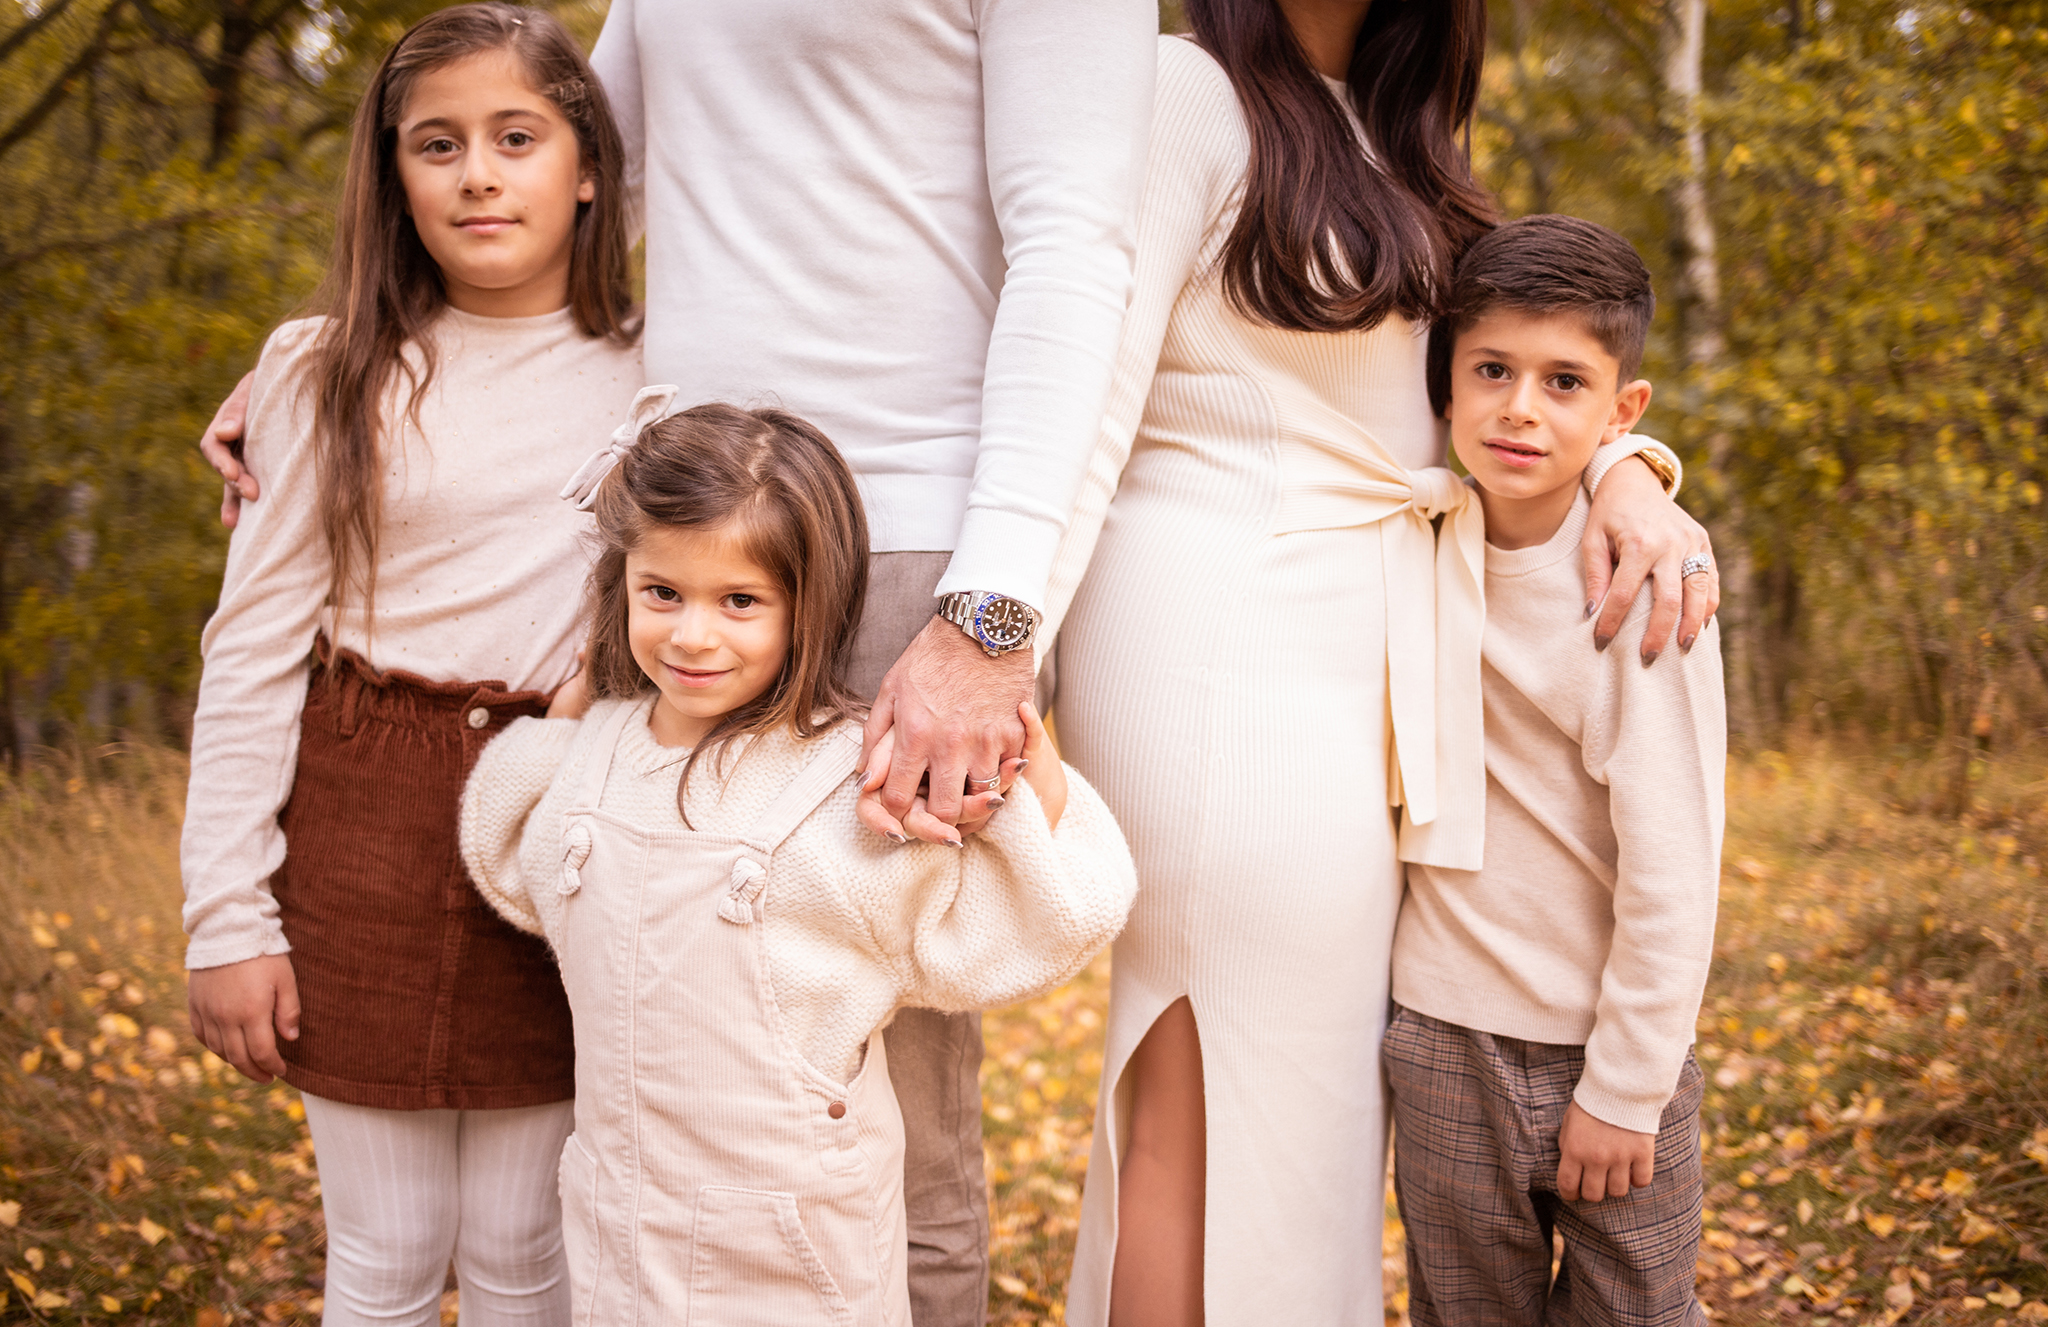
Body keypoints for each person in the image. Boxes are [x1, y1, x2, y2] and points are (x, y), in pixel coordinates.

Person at [197, 5, 1158, 1316]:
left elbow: (1077, 251)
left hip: (900, 546)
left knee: (880, 1108)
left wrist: (994, 616)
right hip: (673, 526)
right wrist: (335, 367)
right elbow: (577, 173)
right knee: (654, 1063)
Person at [1035, 2, 1724, 1323]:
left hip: (1368, 663)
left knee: (1313, 1111)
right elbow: (1088, 384)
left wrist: (1634, 471)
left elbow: (1506, 384)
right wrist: (1002, 639)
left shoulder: (1413, 139)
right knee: (1216, 1078)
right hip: (1221, 639)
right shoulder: (1185, 92)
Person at [457, 399, 1137, 1325]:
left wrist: (1017, 737)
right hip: (622, 1233)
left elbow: (1025, 918)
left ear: (806, 605)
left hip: (795, 1257)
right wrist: (580, 698)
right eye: (663, 593)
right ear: (622, 586)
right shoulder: (597, 758)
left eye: (740, 601)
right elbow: (510, 843)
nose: (694, 635)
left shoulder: (846, 786)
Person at [176, 7, 642, 1322]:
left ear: (588, 163)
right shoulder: (328, 370)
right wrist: (227, 913)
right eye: (436, 144)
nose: (479, 173)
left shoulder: (667, 374)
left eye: (517, 137)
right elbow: (253, 647)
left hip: (557, 822)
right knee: (385, 1245)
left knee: (519, 1239)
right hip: (362, 813)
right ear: (392, 175)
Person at [1387, 214, 1723, 1327]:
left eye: (1564, 382)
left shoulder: (1643, 581)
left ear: (1620, 409)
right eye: (1490, 369)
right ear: (1442, 381)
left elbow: (1673, 857)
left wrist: (1626, 1087)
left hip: (1610, 1048)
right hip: (1440, 1038)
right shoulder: (1407, 533)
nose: (1520, 408)